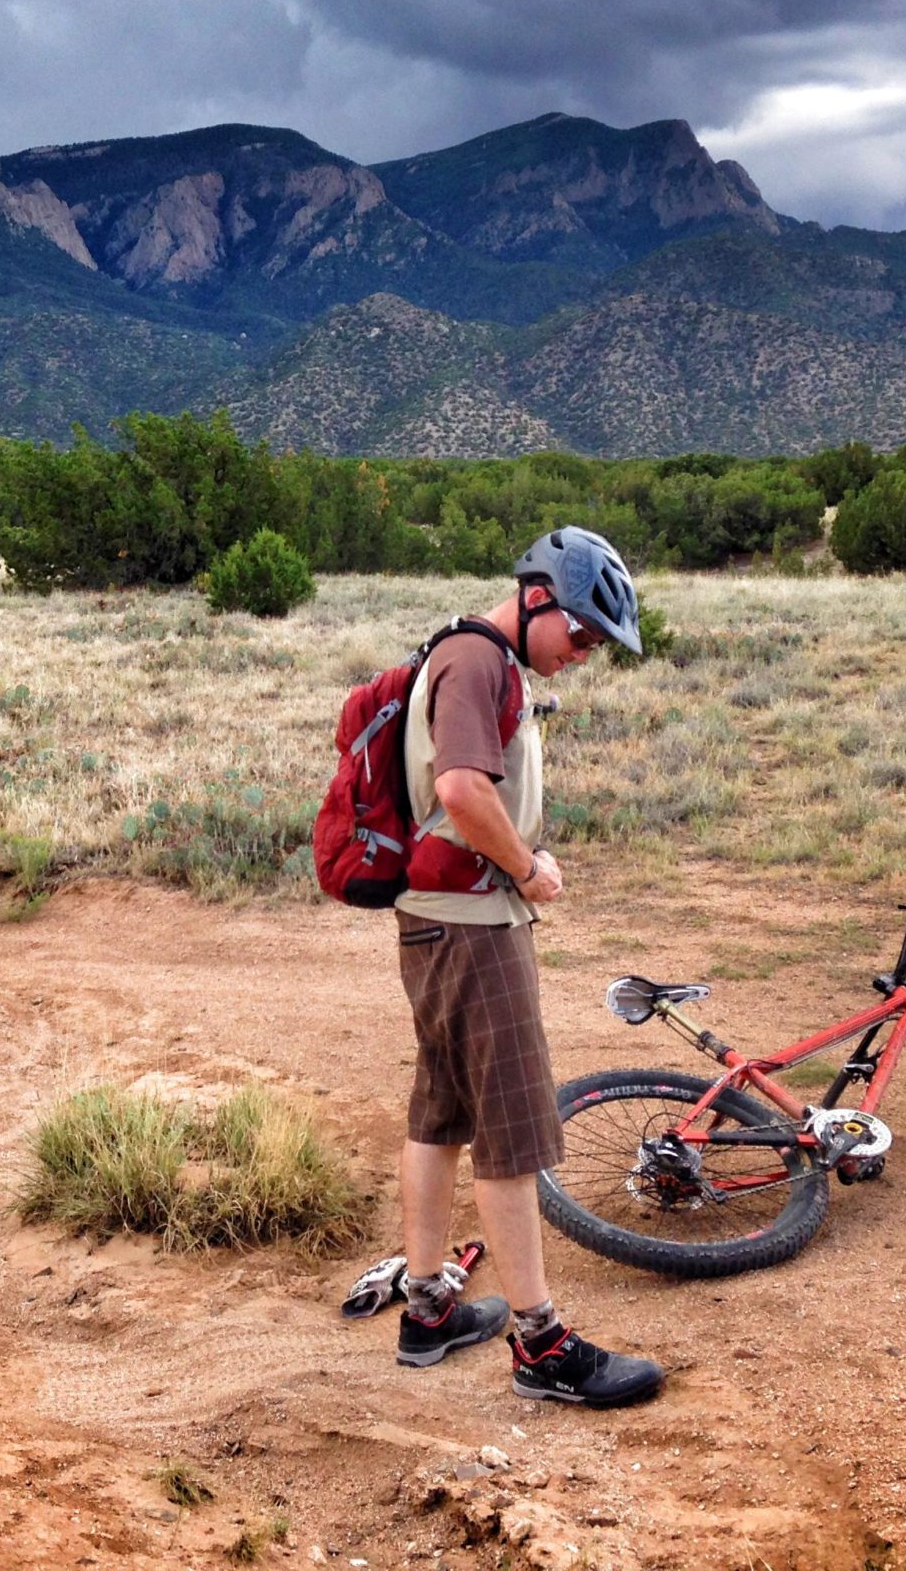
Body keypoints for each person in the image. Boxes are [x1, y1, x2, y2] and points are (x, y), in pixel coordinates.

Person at [389, 528, 664, 1408]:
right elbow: (464, 791)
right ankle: (542, 1347)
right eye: (581, 635)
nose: (582, 655)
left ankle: (428, 1307)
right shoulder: (479, 661)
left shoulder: (474, 656)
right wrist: (525, 868)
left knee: (440, 1115)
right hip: (473, 928)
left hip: (438, 925)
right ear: (537, 597)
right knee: (509, 1135)